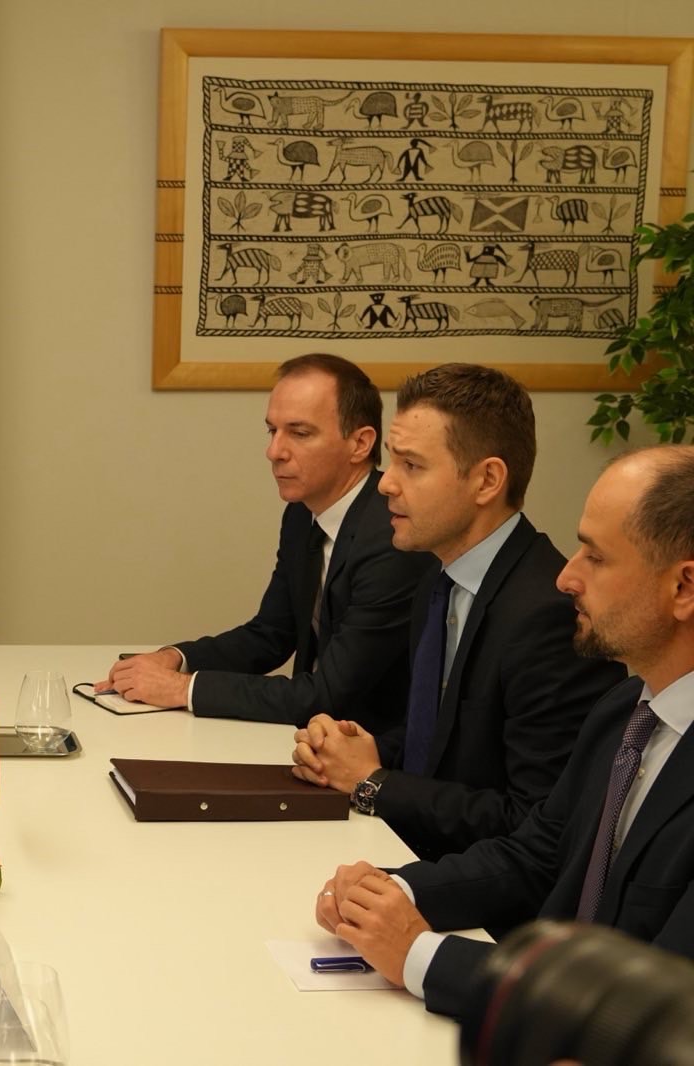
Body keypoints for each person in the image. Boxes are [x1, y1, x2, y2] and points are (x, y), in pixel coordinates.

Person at [313, 445, 694, 1021]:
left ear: (683, 588)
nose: (566, 576)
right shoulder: (626, 710)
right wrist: (394, 892)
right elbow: (538, 854)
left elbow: (665, 1006)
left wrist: (419, 956)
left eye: (596, 557)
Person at [293, 364, 622, 860]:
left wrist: (373, 781)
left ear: (487, 480)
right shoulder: (437, 575)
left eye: (412, 465)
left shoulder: (548, 615)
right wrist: (364, 748)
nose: (386, 484)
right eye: (392, 461)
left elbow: (536, 823)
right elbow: (446, 742)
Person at [101, 353, 433, 732]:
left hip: (375, 747)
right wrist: (177, 658)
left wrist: (181, 688)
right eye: (272, 431)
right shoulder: (301, 514)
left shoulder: (393, 537)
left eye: (299, 433)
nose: (274, 451)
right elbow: (271, 634)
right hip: (313, 737)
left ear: (360, 443)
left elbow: (328, 694)